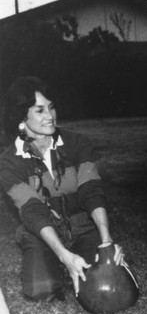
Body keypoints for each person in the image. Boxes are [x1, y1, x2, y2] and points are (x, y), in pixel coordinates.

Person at [0, 76, 124, 302]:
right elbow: (33, 211)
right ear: (20, 117)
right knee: (41, 291)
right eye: (39, 110)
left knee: (112, 286)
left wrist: (106, 240)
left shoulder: (77, 143)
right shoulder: (9, 163)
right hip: (40, 232)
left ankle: (72, 264)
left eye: (51, 107)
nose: (50, 116)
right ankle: (59, 265)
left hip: (82, 227)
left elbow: (92, 192)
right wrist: (63, 255)